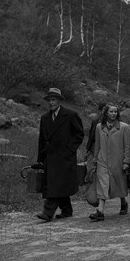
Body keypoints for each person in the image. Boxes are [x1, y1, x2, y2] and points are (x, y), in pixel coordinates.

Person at [35, 87, 84, 221]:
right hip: (49, 156)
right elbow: (42, 139)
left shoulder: (70, 115)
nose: (51, 102)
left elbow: (79, 134)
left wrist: (69, 150)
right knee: (56, 183)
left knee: (55, 184)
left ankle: (48, 212)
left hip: (64, 157)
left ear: (59, 101)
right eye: (49, 100)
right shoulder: (44, 118)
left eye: (54, 99)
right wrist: (40, 158)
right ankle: (67, 210)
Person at [89, 103, 130, 221]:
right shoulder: (99, 127)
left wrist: (126, 161)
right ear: (106, 113)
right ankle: (100, 211)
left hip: (117, 160)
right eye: (111, 111)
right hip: (102, 160)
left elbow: (127, 147)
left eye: (115, 112)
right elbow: (97, 143)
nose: (113, 114)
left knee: (119, 183)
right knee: (103, 184)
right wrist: (95, 158)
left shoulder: (124, 127)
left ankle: (123, 202)